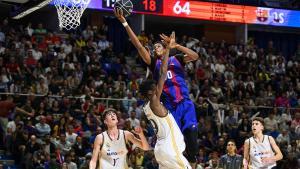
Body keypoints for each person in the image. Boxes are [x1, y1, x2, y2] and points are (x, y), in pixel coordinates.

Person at [114, 9, 199, 168]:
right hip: (170, 107)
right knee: (177, 144)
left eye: (158, 46)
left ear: (165, 47)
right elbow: (139, 46)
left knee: (193, 142)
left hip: (185, 103)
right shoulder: (155, 63)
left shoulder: (177, 59)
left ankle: (192, 164)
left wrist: (177, 45)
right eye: (153, 47)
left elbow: (195, 56)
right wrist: (125, 23)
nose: (155, 48)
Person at [139, 32, 191, 169]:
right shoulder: (155, 102)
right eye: (154, 86)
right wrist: (168, 48)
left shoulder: (147, 106)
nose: (157, 86)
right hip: (170, 149)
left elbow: (162, 73)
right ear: (151, 92)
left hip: (160, 150)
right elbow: (162, 73)